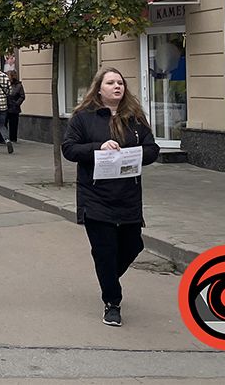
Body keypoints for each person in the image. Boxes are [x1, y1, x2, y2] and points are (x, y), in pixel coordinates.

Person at [62, 66, 159, 328]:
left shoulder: (134, 117)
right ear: (99, 88)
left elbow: (153, 149)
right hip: (96, 196)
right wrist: (98, 148)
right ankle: (112, 303)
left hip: (128, 194)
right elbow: (69, 149)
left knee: (132, 245)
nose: (117, 87)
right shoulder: (84, 117)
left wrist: (134, 153)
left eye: (121, 83)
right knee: (105, 251)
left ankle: (108, 276)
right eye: (111, 83)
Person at [6, 70, 25, 144]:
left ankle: (13, 138)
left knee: (13, 124)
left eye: (8, 76)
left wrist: (17, 103)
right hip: (6, 107)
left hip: (14, 108)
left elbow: (22, 96)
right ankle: (4, 138)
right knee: (3, 123)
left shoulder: (18, 86)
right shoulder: (6, 84)